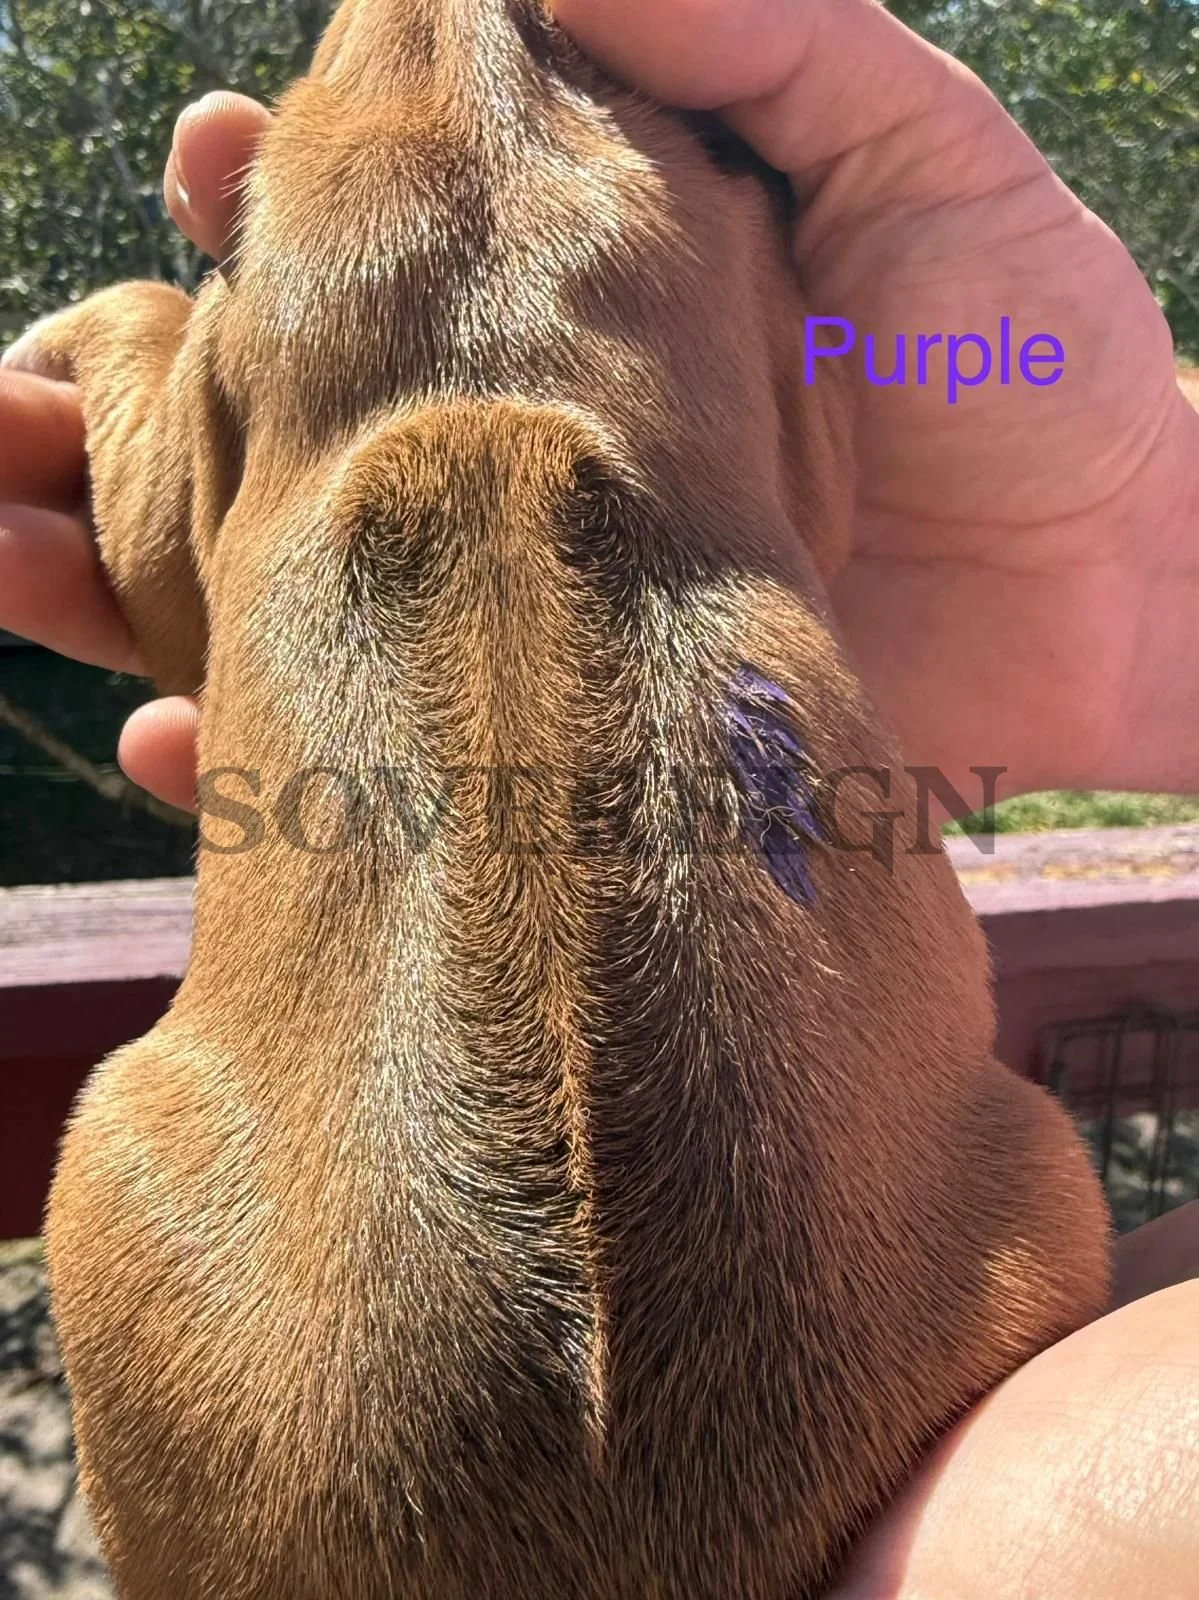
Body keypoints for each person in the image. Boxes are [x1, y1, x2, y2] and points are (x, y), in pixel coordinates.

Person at [1, 0, 1195, 1591]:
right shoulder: (755, 260)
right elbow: (840, 443)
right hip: (891, 1394)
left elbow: (168, 598)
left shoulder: (275, 273)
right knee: (981, 1170)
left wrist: (132, 337)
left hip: (312, 1480)